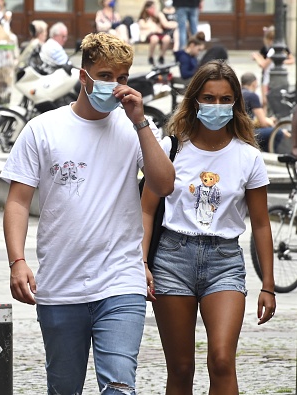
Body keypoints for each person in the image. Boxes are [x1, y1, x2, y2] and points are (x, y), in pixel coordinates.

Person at [1, 32, 175, 394]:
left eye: (123, 77)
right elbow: (18, 200)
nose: (115, 86)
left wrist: (141, 122)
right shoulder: (43, 129)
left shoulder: (135, 127)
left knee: (119, 386)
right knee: (64, 388)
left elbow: (164, 184)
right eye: (107, 76)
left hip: (120, 280)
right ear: (84, 77)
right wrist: (17, 260)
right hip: (61, 286)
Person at [141, 60, 276, 394]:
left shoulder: (248, 157)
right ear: (194, 100)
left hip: (224, 262)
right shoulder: (172, 147)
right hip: (172, 259)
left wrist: (269, 285)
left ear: (236, 104)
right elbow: (146, 209)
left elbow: (260, 224)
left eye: (225, 99)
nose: (217, 106)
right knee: (181, 367)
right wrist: (141, 263)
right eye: (209, 98)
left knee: (221, 360)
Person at [251, 25, 294, 115]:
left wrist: (256, 57)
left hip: (269, 81)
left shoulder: (273, 50)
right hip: (272, 79)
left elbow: (263, 65)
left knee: (266, 103)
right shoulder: (279, 49)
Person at [241, 71, 287, 152]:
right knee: (278, 133)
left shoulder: (238, 93)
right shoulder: (252, 96)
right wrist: (274, 125)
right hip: (247, 134)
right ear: (254, 83)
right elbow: (263, 122)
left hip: (238, 132)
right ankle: (266, 154)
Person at [137, 0, 177, 65]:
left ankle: (162, 56)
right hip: (150, 34)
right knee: (154, 39)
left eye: (154, 7)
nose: (153, 9)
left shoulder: (158, 15)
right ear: (147, 8)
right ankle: (151, 56)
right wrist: (153, 28)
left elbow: (164, 24)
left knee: (167, 38)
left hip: (159, 33)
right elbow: (143, 26)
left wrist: (159, 16)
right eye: (152, 7)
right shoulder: (143, 18)